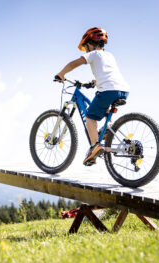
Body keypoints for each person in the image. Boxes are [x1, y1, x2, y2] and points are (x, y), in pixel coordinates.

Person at [55, 27, 130, 166]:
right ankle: (108, 129)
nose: (85, 50)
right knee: (105, 106)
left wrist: (61, 74)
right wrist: (96, 81)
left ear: (89, 43)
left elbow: (74, 63)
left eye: (85, 47)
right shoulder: (110, 55)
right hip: (123, 90)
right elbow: (108, 73)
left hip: (108, 90)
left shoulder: (93, 54)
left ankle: (95, 146)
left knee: (90, 117)